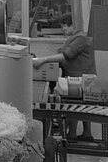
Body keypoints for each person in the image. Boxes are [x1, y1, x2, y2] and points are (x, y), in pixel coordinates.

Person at [34, 13, 97, 142]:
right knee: (80, 107)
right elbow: (61, 51)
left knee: (73, 105)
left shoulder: (81, 38)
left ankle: (72, 135)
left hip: (80, 78)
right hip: (80, 77)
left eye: (64, 27)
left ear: (72, 25)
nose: (63, 30)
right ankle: (87, 134)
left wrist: (43, 60)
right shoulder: (75, 37)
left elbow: (66, 55)